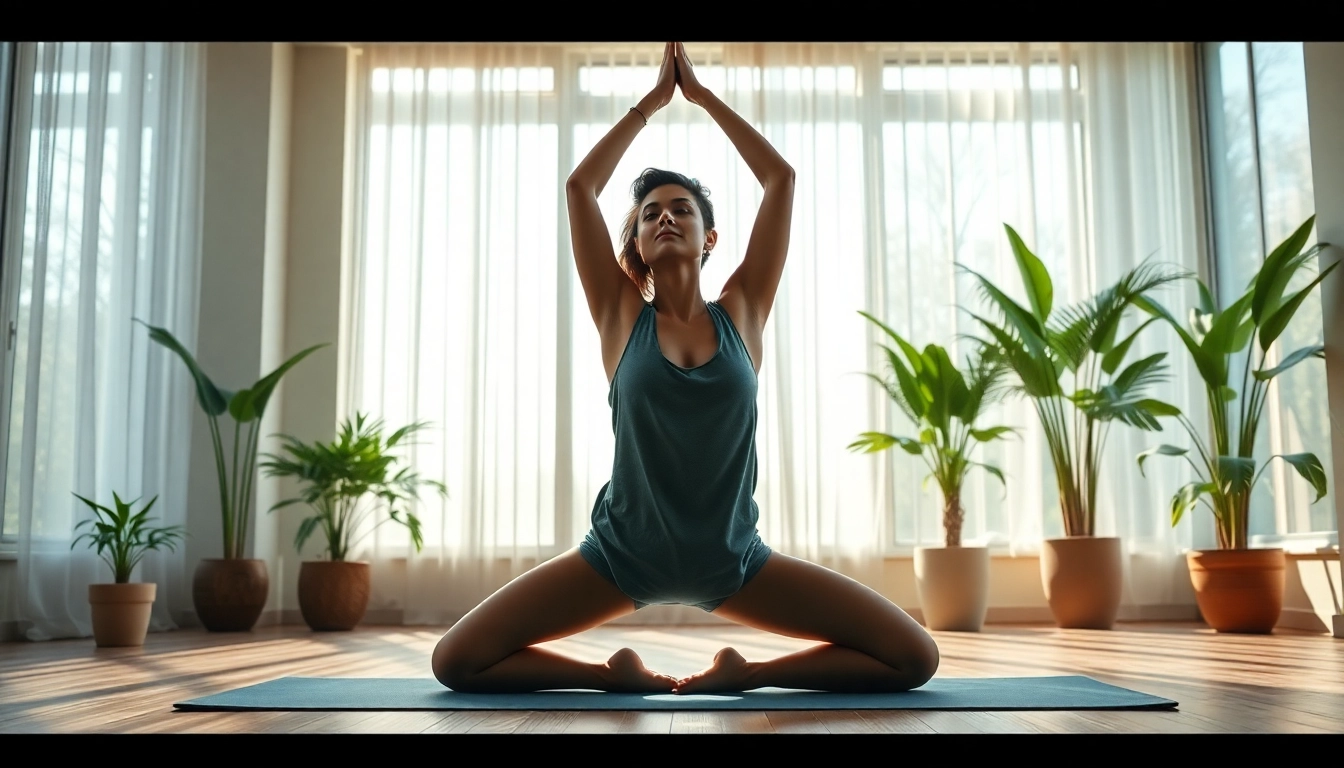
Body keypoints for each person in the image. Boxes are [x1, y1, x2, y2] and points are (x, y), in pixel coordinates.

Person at [432, 42, 939, 695]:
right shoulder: (621, 320)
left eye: (682, 209)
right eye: (650, 213)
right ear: (637, 248)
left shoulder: (744, 313)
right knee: (456, 661)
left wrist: (700, 98)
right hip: (620, 557)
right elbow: (579, 187)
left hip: (733, 562)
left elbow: (780, 180)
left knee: (913, 657)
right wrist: (650, 103)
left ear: (709, 239)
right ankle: (611, 678)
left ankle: (744, 675)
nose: (666, 215)